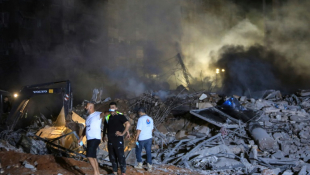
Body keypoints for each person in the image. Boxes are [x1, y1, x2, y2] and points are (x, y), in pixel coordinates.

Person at [102, 102, 130, 175]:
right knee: (112, 157)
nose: (112, 108)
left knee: (120, 156)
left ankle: (123, 173)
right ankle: (115, 172)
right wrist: (104, 135)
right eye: (111, 107)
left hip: (118, 139)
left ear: (116, 108)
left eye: (113, 107)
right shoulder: (107, 117)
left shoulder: (120, 115)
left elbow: (127, 124)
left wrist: (123, 133)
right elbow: (105, 127)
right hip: (110, 139)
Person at [78, 102, 105, 175]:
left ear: (90, 107)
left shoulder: (97, 114)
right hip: (89, 139)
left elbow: (104, 114)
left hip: (95, 138)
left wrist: (111, 111)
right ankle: (98, 173)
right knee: (93, 156)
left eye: (86, 106)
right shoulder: (88, 117)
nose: (85, 107)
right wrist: (81, 137)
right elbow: (86, 128)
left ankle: (95, 173)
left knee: (89, 155)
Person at [134, 107, 154, 172]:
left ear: (140, 112)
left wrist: (136, 137)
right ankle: (149, 167)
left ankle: (140, 164)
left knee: (138, 151)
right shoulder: (150, 119)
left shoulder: (140, 119)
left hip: (141, 139)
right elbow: (152, 129)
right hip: (149, 138)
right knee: (148, 152)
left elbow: (139, 129)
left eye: (138, 112)